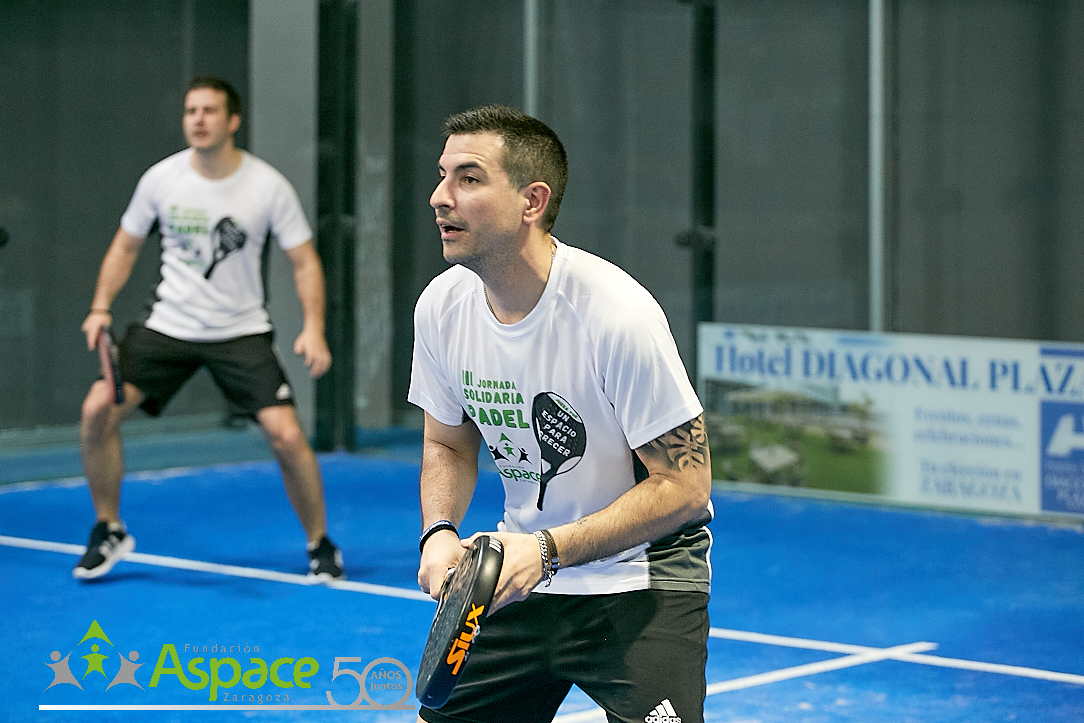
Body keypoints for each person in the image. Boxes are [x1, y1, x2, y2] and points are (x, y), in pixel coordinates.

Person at [409, 105, 713, 723]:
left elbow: (686, 487)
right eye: (442, 177)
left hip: (640, 581)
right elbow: (448, 443)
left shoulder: (616, 315)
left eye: (469, 178)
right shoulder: (441, 307)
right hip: (517, 577)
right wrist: (438, 531)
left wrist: (547, 551)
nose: (440, 197)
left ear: (533, 200)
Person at [74, 77, 344, 582]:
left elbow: (304, 260)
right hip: (168, 325)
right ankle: (108, 528)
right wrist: (99, 308)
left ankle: (320, 543)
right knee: (97, 410)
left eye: (209, 111)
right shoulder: (161, 179)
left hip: (240, 331)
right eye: (191, 111)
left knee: (287, 436)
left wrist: (314, 327)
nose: (197, 119)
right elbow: (126, 246)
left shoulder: (267, 186)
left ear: (232, 121)